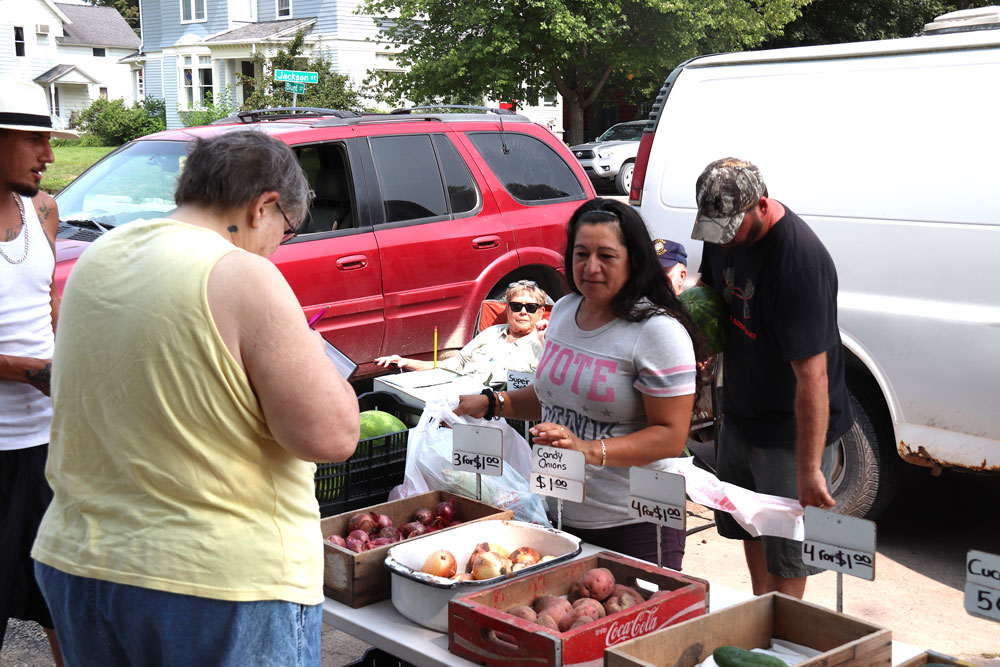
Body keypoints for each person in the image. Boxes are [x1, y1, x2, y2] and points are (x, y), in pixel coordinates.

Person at [31, 131, 360, 666]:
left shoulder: (100, 255)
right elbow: (331, 435)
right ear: (264, 207)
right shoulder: (241, 272)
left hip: (82, 560)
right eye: (287, 230)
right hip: (213, 580)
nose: (280, 244)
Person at [455, 199, 711, 568]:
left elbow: (670, 436)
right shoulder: (562, 312)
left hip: (635, 520)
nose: (591, 267)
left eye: (606, 255)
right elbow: (554, 398)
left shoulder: (658, 332)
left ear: (633, 260)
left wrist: (588, 449)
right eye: (581, 253)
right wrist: (494, 403)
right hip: (558, 513)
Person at [692, 157, 852, 598]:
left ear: (761, 206)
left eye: (731, 229)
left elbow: (813, 379)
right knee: (748, 526)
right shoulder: (722, 231)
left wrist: (808, 469)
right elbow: (709, 289)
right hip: (741, 412)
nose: (723, 240)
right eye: (714, 227)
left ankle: (779, 640)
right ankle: (761, 613)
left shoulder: (799, 264)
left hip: (790, 430)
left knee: (787, 548)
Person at [0, 77, 75, 667]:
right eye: (35, 140)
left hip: (48, 441)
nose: (49, 156)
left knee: (65, 596)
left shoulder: (43, 210)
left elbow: (46, 303)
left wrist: (67, 358)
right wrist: (25, 369)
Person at [375, 280, 549, 381]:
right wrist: (406, 362)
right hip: (459, 392)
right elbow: (452, 365)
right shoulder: (492, 333)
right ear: (508, 310)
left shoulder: (544, 343)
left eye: (531, 307)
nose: (523, 312)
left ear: (541, 312)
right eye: (516, 306)